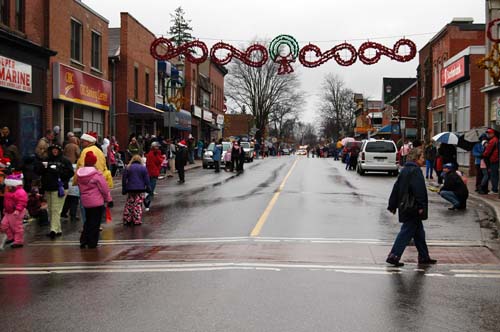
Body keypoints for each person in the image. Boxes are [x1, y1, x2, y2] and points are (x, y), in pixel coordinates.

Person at [387, 147, 436, 267]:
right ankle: (394, 255)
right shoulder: (416, 171)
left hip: (405, 206)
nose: (424, 160)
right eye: (422, 157)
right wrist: (421, 206)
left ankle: (424, 256)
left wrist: (392, 205)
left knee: (419, 233)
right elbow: (419, 190)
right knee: (406, 232)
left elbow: (396, 187)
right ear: (416, 158)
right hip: (413, 207)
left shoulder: (404, 170)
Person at [34, 144, 74, 239]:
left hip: (60, 188)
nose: (54, 151)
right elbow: (38, 172)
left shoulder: (65, 161)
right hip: (48, 187)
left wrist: (59, 172)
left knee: (56, 209)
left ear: (60, 151)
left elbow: (70, 173)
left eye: (56, 150)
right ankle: (57, 229)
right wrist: (42, 167)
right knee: (51, 209)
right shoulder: (46, 160)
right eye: (53, 150)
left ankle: (53, 229)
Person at [77, 151, 112, 249]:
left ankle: (84, 240)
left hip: (85, 201)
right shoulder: (97, 174)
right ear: (94, 162)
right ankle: (92, 242)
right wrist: (108, 199)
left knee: (88, 220)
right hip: (97, 201)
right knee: (95, 222)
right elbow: (104, 189)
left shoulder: (80, 174)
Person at [0, 173, 28, 249]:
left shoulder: (20, 192)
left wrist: (18, 210)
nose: (7, 187)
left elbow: (22, 202)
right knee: (3, 225)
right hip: (8, 212)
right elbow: (6, 201)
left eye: (9, 185)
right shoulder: (9, 191)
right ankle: (11, 237)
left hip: (16, 212)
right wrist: (5, 209)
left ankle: (18, 241)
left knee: (17, 227)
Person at [122, 155, 150, 226]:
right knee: (137, 204)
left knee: (129, 203)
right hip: (140, 189)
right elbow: (147, 179)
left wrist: (124, 188)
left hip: (130, 188)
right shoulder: (143, 168)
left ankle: (127, 219)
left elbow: (124, 179)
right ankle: (136, 220)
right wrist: (148, 187)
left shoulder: (128, 167)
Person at [145, 141, 164, 211]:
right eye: (157, 146)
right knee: (151, 189)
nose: (158, 148)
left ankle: (147, 202)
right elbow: (158, 161)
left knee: (150, 188)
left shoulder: (152, 153)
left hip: (151, 172)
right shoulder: (153, 154)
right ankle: (146, 202)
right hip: (153, 173)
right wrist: (161, 157)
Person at [482, 128, 499, 194]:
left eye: (489, 133)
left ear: (493, 134)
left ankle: (494, 189)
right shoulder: (496, 140)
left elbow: (487, 151)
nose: (488, 134)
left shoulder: (492, 141)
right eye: (487, 133)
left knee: (493, 175)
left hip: (493, 160)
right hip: (495, 159)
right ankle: (495, 188)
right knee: (495, 175)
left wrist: (483, 154)